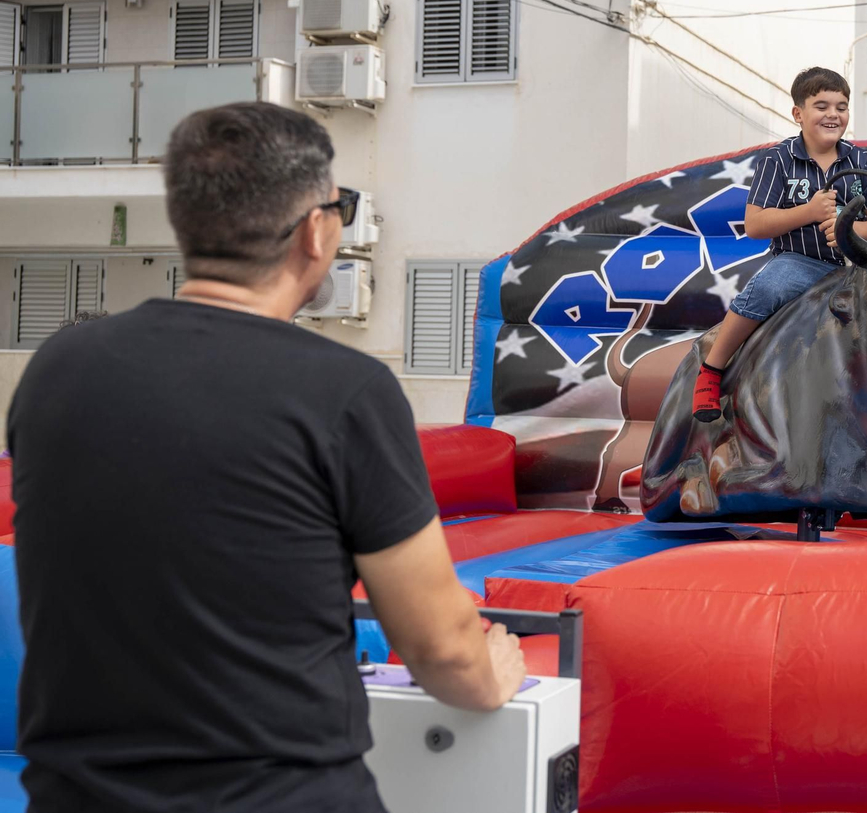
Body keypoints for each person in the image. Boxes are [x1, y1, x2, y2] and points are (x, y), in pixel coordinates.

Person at [6, 102, 525, 812]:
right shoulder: (343, 392)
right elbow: (441, 649)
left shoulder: (57, 371)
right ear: (315, 230)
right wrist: (491, 669)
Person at [692, 67, 867, 421]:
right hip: (799, 261)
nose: (833, 114)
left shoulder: (861, 160)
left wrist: (855, 229)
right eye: (822, 106)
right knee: (770, 286)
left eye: (842, 107)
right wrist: (809, 212)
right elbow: (755, 225)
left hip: (855, 266)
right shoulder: (778, 160)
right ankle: (712, 369)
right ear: (798, 114)